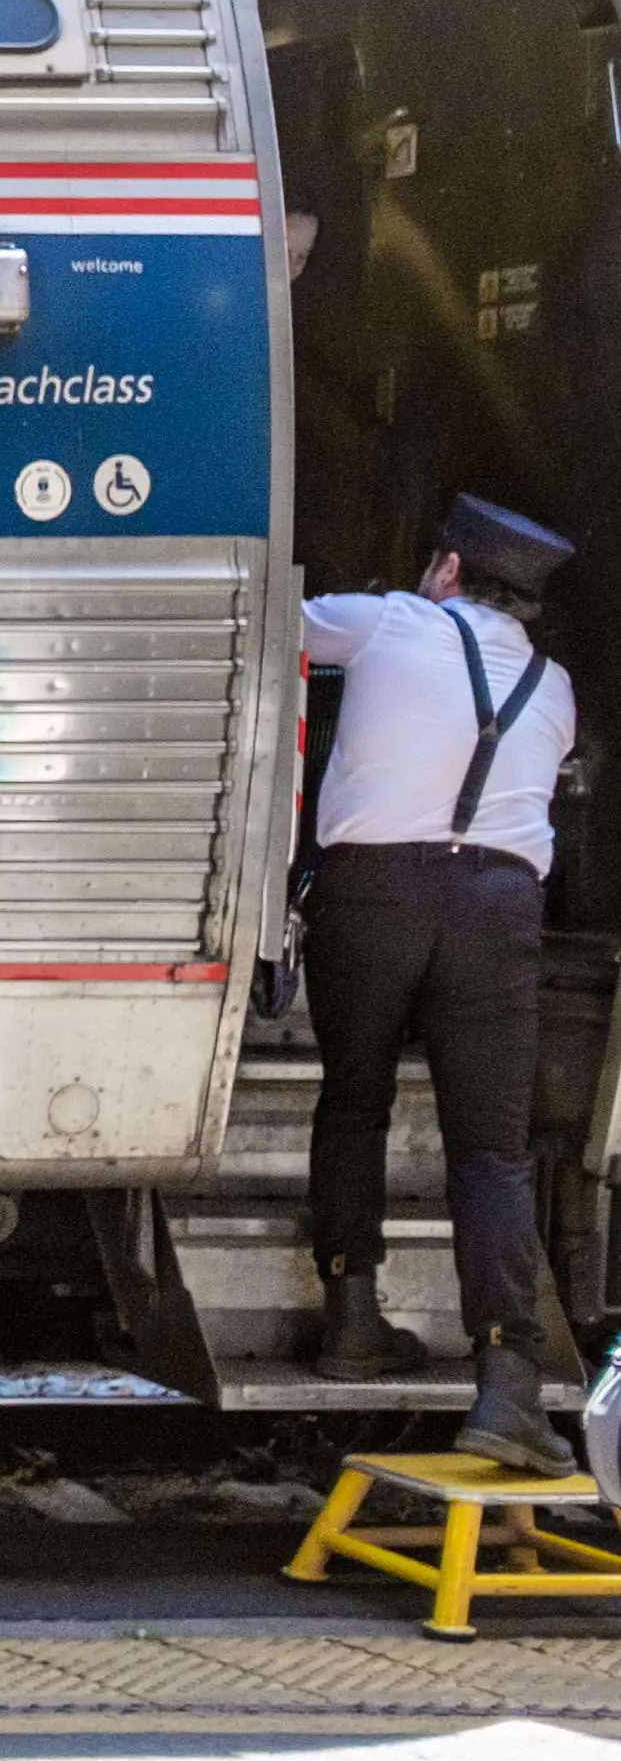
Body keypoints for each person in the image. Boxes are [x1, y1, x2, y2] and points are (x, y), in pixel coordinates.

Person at [300, 495, 582, 1474]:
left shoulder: (386, 621)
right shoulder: (553, 686)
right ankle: (505, 1383)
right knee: (490, 1154)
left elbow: (274, 627)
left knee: (353, 1099)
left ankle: (350, 1317)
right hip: (495, 908)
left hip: (369, 893)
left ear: (447, 568)